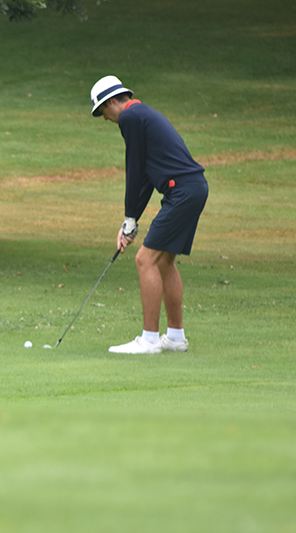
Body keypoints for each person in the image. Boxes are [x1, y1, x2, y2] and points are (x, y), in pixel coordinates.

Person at [90, 75, 208, 354]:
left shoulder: (131, 117)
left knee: (145, 260)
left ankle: (150, 340)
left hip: (182, 191)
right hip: (192, 188)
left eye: (102, 112)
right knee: (164, 261)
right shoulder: (141, 114)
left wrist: (130, 219)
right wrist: (131, 219)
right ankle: (176, 338)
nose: (104, 119)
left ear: (111, 102)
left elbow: (134, 169)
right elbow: (143, 175)